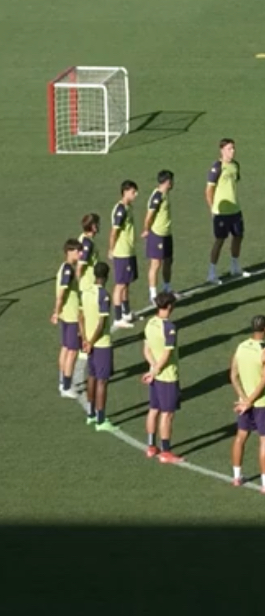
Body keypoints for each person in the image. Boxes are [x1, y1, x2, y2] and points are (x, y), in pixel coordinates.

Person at [229, 314, 265, 493]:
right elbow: (264, 381)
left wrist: (243, 398)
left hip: (245, 401)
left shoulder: (241, 347)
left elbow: (233, 375)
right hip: (262, 403)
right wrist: (250, 401)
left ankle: (237, 476)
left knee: (240, 437)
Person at [142, 292, 185, 463]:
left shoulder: (150, 323)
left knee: (154, 410)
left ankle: (151, 446)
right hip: (166, 377)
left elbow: (146, 349)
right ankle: (166, 452)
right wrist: (156, 371)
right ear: (168, 306)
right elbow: (167, 354)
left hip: (156, 375)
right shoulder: (169, 327)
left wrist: (152, 368)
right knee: (167, 414)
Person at [79, 261, 116, 432]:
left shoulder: (86, 293)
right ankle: (101, 420)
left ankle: (91, 414)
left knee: (92, 377)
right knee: (102, 381)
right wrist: (92, 341)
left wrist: (85, 340)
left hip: (89, 343)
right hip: (101, 344)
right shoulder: (104, 295)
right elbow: (101, 323)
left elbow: (81, 317)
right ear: (107, 276)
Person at [205, 138, 246, 285]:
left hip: (235, 210)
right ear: (222, 150)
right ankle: (211, 272)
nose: (233, 151)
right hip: (221, 212)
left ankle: (235, 267)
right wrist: (212, 208)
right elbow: (209, 190)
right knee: (220, 240)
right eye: (229, 149)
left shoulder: (235, 166)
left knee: (238, 236)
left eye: (233, 148)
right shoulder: (217, 167)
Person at [52, 238, 84, 400]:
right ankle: (66, 385)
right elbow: (61, 295)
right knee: (72, 351)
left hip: (66, 315)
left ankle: (62, 381)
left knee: (65, 348)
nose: (80, 254)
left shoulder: (65, 268)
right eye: (78, 251)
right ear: (70, 252)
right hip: (70, 316)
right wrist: (56, 312)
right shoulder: (67, 271)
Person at [106, 180, 140, 328]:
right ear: (125, 191)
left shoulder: (128, 207)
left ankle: (126, 313)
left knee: (126, 283)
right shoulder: (121, 210)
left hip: (129, 250)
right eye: (133, 192)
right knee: (120, 285)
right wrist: (111, 249)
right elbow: (114, 232)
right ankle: (118, 317)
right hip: (122, 252)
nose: (136, 195)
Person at [142, 169, 175, 306]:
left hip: (167, 234)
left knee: (168, 261)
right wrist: (146, 230)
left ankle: (167, 288)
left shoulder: (165, 194)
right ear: (168, 182)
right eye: (172, 180)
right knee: (156, 264)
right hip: (157, 235)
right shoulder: (157, 196)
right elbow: (149, 215)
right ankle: (153, 294)